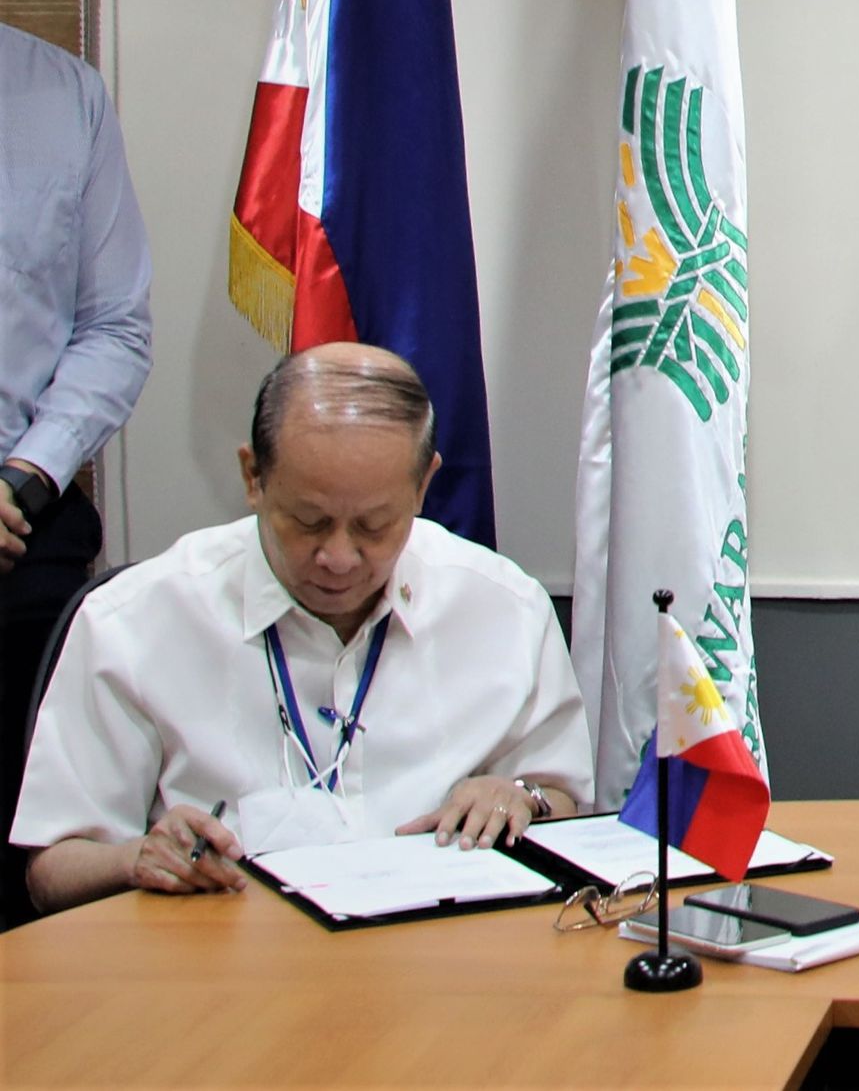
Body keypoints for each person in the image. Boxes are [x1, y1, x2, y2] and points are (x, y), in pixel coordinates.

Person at [11, 343, 592, 914]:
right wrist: (137, 859)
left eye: (374, 525)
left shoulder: (505, 608)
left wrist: (523, 797)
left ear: (423, 485)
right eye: (309, 521)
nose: (338, 558)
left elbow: (567, 802)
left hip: (442, 955)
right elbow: (52, 871)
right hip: (220, 960)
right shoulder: (134, 619)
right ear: (253, 477)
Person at [0, 0, 154, 928]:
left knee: (27, 856)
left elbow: (113, 327)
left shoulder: (65, 98)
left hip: (21, 526)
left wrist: (24, 478)